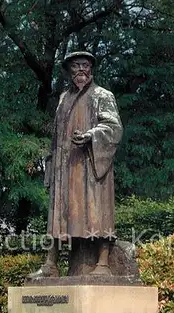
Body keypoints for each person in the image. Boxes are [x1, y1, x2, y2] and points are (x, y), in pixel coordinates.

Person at [31, 51, 123, 277]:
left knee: (98, 210)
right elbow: (56, 134)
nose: (81, 70)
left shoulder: (102, 95)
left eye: (85, 65)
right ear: (69, 71)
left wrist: (91, 135)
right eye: (75, 66)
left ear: (91, 69)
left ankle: (103, 264)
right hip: (65, 167)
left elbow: (114, 127)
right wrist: (51, 165)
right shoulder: (64, 98)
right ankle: (50, 265)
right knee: (58, 213)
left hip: (92, 164)